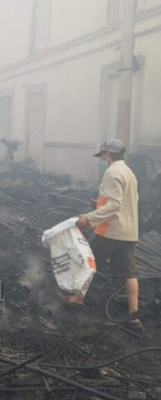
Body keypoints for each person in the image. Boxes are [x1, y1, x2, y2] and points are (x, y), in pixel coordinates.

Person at [76, 139, 143, 331]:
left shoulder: (112, 172)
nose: (103, 159)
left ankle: (76, 298)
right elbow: (130, 200)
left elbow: (114, 205)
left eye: (103, 155)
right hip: (129, 232)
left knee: (88, 261)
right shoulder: (129, 173)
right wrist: (99, 203)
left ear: (107, 154)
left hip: (111, 231)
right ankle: (134, 317)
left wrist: (89, 217)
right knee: (129, 273)